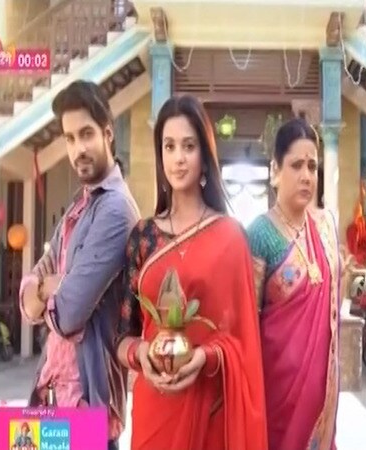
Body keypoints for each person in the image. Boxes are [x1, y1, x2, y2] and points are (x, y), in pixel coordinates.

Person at [116, 94, 267, 450]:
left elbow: (245, 343)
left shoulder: (231, 237)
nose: (179, 158)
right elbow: (122, 336)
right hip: (155, 411)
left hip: (211, 407)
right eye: (169, 146)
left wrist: (205, 356)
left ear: (205, 157)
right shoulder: (143, 237)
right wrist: (142, 355)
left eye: (189, 146)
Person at [18, 80, 140, 450]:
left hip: (87, 410)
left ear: (108, 134)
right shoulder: (79, 205)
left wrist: (51, 291)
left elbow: (69, 314)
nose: (78, 149)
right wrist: (46, 286)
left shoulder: (115, 210)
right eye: (69, 138)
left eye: (86, 134)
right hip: (50, 399)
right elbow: (28, 301)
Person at [247, 118, 341, 450]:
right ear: (276, 170)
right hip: (275, 395)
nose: (306, 176)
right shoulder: (259, 234)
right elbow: (247, 325)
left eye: (312, 166)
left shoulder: (326, 227)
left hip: (321, 403)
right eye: (296, 165)